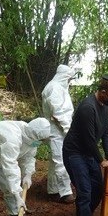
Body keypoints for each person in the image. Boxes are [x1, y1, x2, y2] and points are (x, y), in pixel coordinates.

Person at [63, 74, 108, 216]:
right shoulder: (88, 108)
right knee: (85, 191)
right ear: (102, 91)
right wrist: (102, 161)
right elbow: (89, 140)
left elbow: (107, 132)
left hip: (88, 153)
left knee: (98, 189)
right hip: (74, 152)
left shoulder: (107, 106)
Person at [42, 64, 76, 203]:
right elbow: (58, 113)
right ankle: (65, 192)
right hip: (57, 129)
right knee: (61, 160)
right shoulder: (54, 88)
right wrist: (68, 129)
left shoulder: (57, 87)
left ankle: (53, 189)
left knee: (54, 161)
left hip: (60, 128)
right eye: (69, 79)